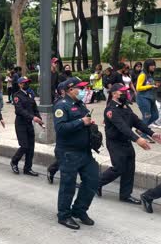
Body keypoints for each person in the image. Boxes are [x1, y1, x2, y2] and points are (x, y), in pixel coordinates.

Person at [98, 83, 161, 204]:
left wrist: (151, 133)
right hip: (115, 143)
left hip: (126, 141)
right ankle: (96, 184)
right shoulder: (110, 110)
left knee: (129, 168)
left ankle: (125, 195)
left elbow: (137, 122)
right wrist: (137, 139)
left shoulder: (125, 107)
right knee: (118, 168)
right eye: (122, 91)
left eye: (126, 91)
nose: (125, 93)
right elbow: (122, 127)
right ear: (114, 94)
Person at [54, 77, 99, 230]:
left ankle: (79, 210)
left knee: (93, 180)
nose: (83, 91)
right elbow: (60, 129)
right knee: (68, 185)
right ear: (70, 89)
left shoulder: (80, 104)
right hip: (68, 152)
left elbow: (84, 121)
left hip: (84, 152)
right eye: (80, 88)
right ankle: (64, 215)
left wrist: (89, 124)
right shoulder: (61, 105)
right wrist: (81, 122)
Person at [10, 77, 43, 175]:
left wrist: (39, 119)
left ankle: (27, 168)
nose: (26, 84)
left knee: (31, 147)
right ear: (20, 84)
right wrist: (33, 117)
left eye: (27, 82)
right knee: (24, 146)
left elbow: (34, 108)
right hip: (21, 124)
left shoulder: (30, 94)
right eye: (24, 83)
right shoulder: (17, 96)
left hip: (29, 123)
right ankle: (14, 161)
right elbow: (19, 110)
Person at [47, 81, 68, 183]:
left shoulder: (72, 100)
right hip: (64, 134)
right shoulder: (59, 103)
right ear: (63, 91)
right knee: (64, 157)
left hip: (73, 134)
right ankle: (52, 169)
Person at [136, 59, 159, 142]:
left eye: (154, 65)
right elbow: (138, 87)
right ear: (147, 66)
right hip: (143, 98)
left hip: (151, 98)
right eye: (152, 65)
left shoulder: (150, 74)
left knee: (155, 115)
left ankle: (140, 129)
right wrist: (150, 86)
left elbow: (150, 84)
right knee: (147, 116)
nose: (154, 67)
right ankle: (144, 135)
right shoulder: (142, 75)